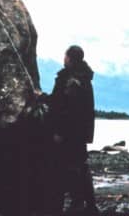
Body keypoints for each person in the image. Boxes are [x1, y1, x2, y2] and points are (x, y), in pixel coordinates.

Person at [48, 45, 99, 216]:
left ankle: (76, 203)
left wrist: (60, 132)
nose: (64, 59)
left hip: (70, 134)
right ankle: (89, 204)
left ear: (70, 58)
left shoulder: (72, 80)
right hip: (80, 133)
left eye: (65, 56)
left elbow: (66, 109)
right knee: (81, 166)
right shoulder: (84, 78)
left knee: (69, 168)